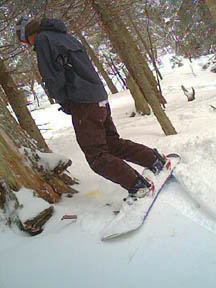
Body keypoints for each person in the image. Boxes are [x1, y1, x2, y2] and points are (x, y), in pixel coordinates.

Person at [16, 17, 169, 199]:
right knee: (112, 144)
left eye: (25, 41)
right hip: (98, 97)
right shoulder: (64, 37)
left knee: (96, 157)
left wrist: (64, 101)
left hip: (83, 102)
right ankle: (155, 160)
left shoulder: (43, 39)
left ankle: (137, 186)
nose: (28, 45)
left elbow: (53, 78)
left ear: (28, 33)